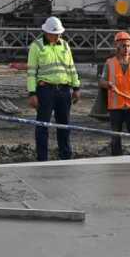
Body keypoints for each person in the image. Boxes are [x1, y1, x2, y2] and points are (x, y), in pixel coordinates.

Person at [27, 17, 81, 161]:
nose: (57, 36)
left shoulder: (65, 46)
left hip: (64, 91)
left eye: (59, 34)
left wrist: (76, 87)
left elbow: (71, 68)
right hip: (45, 91)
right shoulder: (36, 46)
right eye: (54, 34)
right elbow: (31, 72)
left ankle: (65, 156)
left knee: (64, 125)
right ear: (46, 32)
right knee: (42, 125)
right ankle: (42, 158)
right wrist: (32, 93)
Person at [99, 31, 130, 156]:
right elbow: (101, 81)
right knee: (116, 137)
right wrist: (109, 84)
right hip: (116, 107)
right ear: (117, 46)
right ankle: (116, 161)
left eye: (128, 46)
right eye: (123, 46)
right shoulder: (110, 63)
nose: (126, 48)